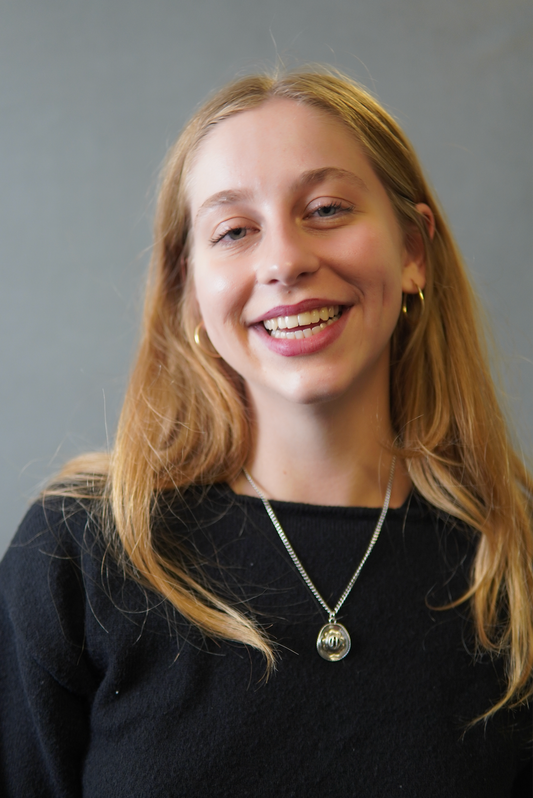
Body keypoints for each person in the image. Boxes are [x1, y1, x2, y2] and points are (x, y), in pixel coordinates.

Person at [1, 69, 531, 797]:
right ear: (188, 288)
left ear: (412, 250)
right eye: (235, 231)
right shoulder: (79, 552)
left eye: (326, 209)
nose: (284, 261)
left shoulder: (517, 560)